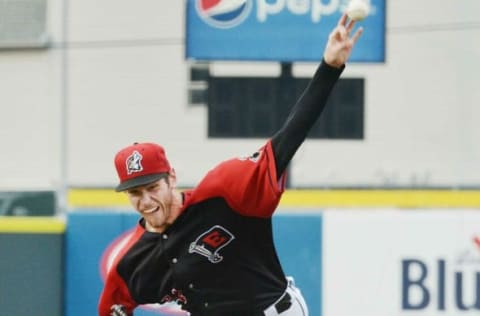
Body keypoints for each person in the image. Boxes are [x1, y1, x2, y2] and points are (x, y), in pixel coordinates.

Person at [99, 13, 363, 316]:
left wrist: (329, 68)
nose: (146, 201)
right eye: (135, 193)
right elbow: (113, 308)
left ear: (171, 177)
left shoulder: (224, 193)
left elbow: (290, 136)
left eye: (152, 187)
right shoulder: (133, 260)